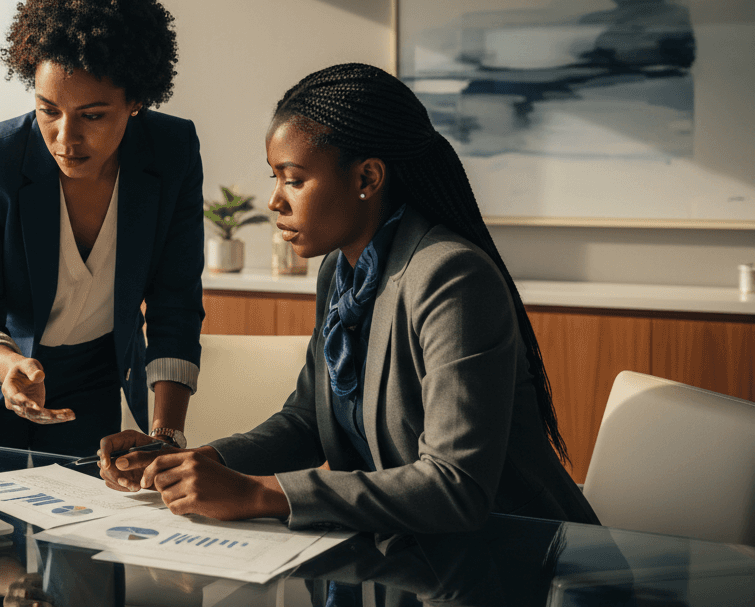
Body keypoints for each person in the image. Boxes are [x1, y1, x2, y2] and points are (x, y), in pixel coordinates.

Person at [98, 63, 598, 545]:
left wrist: (259, 493)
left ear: (367, 178)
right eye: (275, 178)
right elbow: (307, 421)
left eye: (292, 179)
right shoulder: (341, 271)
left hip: (517, 562)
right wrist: (191, 462)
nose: (274, 200)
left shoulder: (452, 277)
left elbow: (456, 487)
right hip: (409, 557)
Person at [0, 0, 204, 458]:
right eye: (48, 110)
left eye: (92, 115)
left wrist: (165, 436)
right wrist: (9, 367)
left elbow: (176, 304)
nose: (65, 138)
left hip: (95, 374)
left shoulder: (171, 153)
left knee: (80, 525)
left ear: (135, 102)